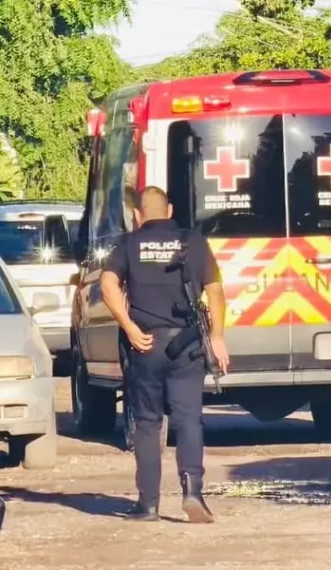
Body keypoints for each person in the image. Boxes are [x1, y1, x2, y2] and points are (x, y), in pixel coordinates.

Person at [100, 186, 230, 523]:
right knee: (189, 420)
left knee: (147, 423)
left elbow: (107, 283)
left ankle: (149, 504)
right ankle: (192, 492)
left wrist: (128, 326)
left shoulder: (128, 244)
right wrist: (217, 337)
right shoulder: (194, 241)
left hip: (144, 344)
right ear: (169, 210)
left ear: (138, 215)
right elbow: (215, 290)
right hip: (186, 346)